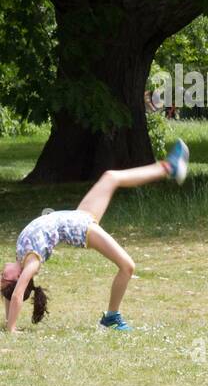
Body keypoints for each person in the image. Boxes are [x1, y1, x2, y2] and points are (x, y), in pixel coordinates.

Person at [3, 141, 190, 332]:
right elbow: (16, 294)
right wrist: (11, 328)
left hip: (78, 216)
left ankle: (168, 167)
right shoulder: (31, 263)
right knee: (127, 266)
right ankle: (112, 317)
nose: (1, 275)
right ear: (18, 277)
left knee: (110, 177)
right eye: (4, 279)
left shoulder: (21, 254)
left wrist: (7, 317)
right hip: (82, 229)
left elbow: (11, 293)